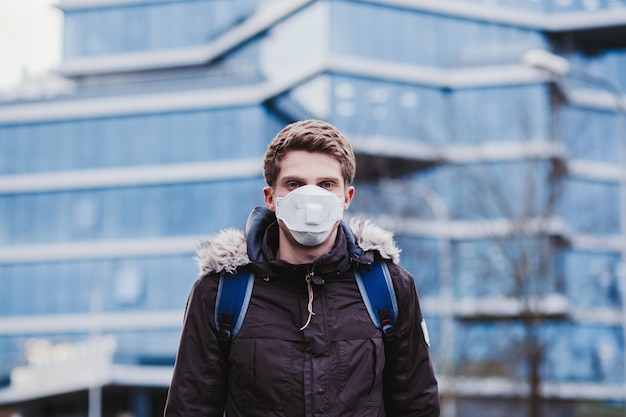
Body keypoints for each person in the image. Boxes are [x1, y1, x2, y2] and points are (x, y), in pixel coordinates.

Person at [163, 119, 440, 417]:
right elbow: (189, 408)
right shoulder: (222, 293)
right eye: (294, 184)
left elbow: (417, 405)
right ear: (271, 198)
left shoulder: (389, 288)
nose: (311, 199)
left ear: (346, 198)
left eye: (326, 184)